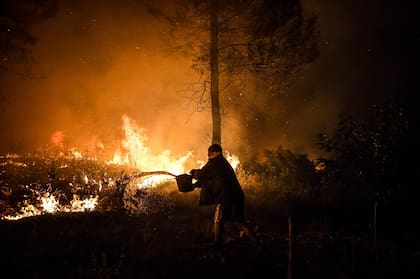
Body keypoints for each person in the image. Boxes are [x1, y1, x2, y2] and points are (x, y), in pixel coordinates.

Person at [190, 143, 258, 249]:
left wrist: (193, 172)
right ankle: (257, 242)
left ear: (218, 152)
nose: (209, 154)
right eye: (208, 152)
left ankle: (217, 243)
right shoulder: (223, 163)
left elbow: (202, 174)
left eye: (211, 152)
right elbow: (210, 178)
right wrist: (195, 184)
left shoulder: (215, 163)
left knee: (218, 219)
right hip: (236, 196)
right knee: (239, 221)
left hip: (227, 198)